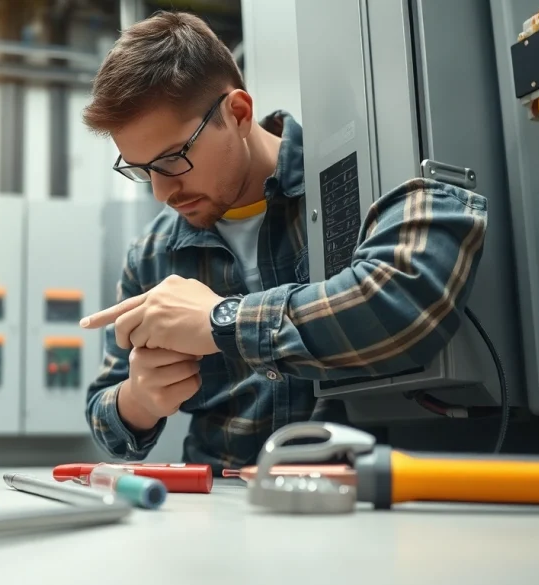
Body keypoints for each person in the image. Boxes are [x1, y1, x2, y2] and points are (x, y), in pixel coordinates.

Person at [77, 11, 489, 473]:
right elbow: (102, 413)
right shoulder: (152, 257)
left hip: (369, 497)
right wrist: (137, 399)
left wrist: (221, 322)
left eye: (172, 160)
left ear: (237, 113)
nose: (161, 192)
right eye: (140, 169)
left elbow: (403, 300)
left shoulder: (363, 178)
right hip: (225, 506)